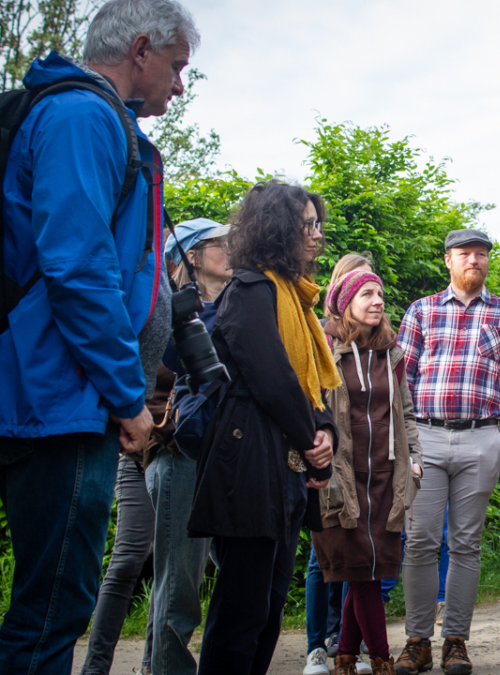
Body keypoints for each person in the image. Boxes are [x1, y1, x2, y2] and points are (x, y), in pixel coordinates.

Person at [0, 0, 198, 673]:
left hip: (49, 392)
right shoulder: (84, 117)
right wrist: (125, 397)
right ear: (139, 50)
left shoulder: (82, 116)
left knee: (49, 601)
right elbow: (78, 268)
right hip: (54, 398)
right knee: (53, 606)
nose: (179, 84)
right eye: (176, 65)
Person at [187, 181, 338, 674]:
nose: (317, 236)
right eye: (307, 225)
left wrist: (325, 432)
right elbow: (271, 377)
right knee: (241, 610)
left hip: (284, 467)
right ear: (277, 229)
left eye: (318, 224)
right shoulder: (252, 288)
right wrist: (309, 439)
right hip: (249, 462)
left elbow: (307, 383)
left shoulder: (296, 296)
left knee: (269, 608)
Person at [394, 229, 500, 675]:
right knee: (419, 541)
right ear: (448, 261)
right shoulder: (421, 310)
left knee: (467, 543)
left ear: (488, 262)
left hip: (481, 437)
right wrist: (407, 440)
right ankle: (417, 641)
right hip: (426, 438)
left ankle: (456, 641)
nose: (474, 260)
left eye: (481, 254)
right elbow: (402, 379)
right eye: (465, 254)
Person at [314, 266, 424, 675]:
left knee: (369, 568)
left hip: (385, 475)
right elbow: (311, 404)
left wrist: (414, 453)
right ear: (346, 304)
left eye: (380, 294)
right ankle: (381, 659)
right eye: (367, 295)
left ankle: (345, 655)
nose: (378, 302)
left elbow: (405, 410)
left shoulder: (391, 352)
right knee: (361, 569)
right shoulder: (324, 347)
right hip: (340, 474)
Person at [145, 217, 231, 675]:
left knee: (231, 576)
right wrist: (179, 317)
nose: (232, 250)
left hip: (224, 459)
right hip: (179, 457)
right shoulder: (166, 308)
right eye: (222, 244)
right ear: (193, 256)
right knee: (178, 589)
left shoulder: (237, 304)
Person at [308, 253, 374, 675]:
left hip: (368, 465)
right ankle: (317, 644)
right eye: (362, 287)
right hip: (330, 459)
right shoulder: (322, 337)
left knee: (358, 556)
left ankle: (346, 639)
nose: (375, 297)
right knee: (322, 559)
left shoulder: (379, 343)